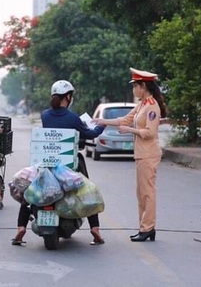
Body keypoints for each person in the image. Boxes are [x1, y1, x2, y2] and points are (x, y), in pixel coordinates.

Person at [12, 80, 107, 246]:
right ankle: (95, 229)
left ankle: (21, 227)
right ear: (68, 97)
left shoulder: (45, 115)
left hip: (46, 164)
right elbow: (90, 134)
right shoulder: (73, 118)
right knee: (87, 190)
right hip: (68, 166)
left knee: (31, 192)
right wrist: (102, 125)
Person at [93, 68, 166, 242]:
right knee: (141, 193)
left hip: (149, 154)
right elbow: (124, 120)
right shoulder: (142, 104)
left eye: (135, 86)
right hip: (141, 154)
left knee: (147, 192)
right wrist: (102, 121)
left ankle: (148, 228)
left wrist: (130, 130)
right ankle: (144, 227)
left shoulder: (152, 106)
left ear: (143, 86)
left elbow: (149, 132)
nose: (134, 89)